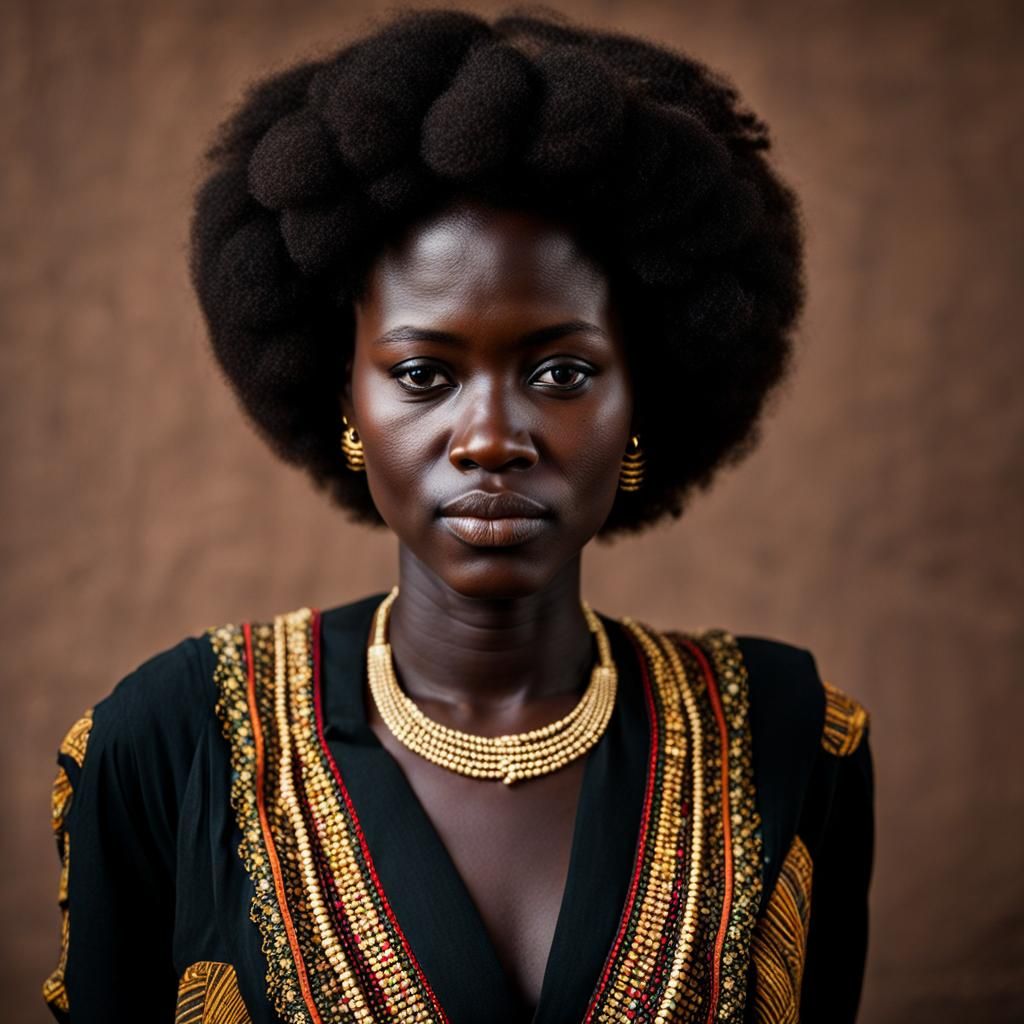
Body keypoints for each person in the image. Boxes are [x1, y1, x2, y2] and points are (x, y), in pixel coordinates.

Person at [43, 8, 873, 1023]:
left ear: (640, 401)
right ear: (346, 400)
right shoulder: (171, 740)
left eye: (561, 371)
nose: (489, 436)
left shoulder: (787, 738)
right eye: (424, 373)